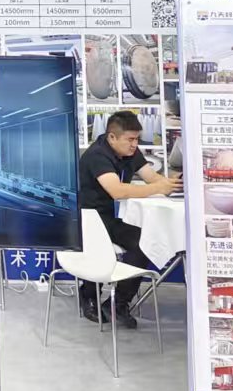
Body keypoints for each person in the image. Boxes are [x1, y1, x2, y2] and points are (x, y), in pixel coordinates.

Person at [76, 109, 181, 327]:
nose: (134, 145)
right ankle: (88, 295)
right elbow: (117, 191)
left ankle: (118, 303)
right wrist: (158, 188)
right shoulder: (97, 155)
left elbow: (151, 177)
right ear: (112, 137)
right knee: (100, 245)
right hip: (87, 219)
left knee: (144, 241)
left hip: (109, 217)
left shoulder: (131, 151)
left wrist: (171, 183)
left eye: (137, 139)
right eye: (130, 140)